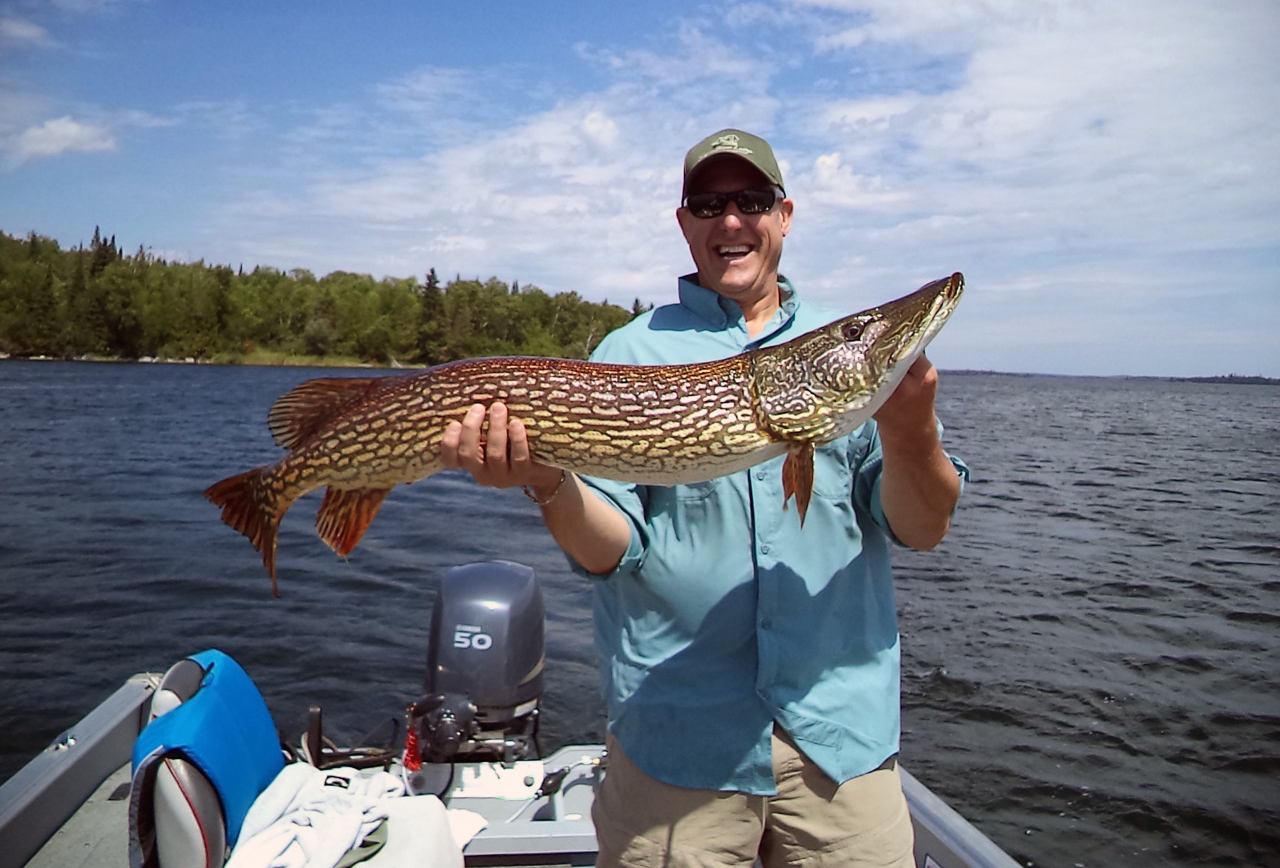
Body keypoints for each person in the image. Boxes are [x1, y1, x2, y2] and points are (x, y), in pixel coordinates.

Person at [441, 128, 969, 867]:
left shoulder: (836, 352)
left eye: (751, 200)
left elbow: (923, 527)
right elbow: (613, 551)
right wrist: (545, 479)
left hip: (840, 744)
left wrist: (911, 433)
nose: (732, 220)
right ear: (685, 222)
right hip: (678, 745)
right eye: (709, 205)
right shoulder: (628, 356)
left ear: (784, 215)